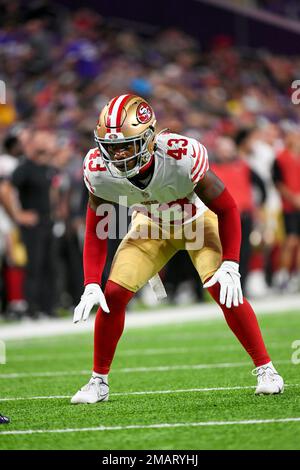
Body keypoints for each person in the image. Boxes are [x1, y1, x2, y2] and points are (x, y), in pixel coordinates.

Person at [71, 94, 284, 404]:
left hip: (197, 221)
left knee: (221, 287)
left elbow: (226, 208)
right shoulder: (98, 169)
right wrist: (91, 282)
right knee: (112, 295)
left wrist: (232, 264)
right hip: (152, 225)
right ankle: (98, 382)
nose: (116, 155)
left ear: (148, 138)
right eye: (110, 146)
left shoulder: (180, 155)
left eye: (125, 145)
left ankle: (267, 370)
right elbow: (96, 228)